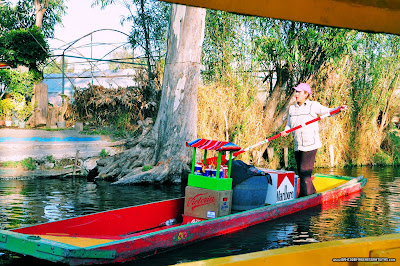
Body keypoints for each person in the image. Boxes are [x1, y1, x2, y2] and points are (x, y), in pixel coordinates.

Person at [281, 83, 347, 197]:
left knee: (304, 172)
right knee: (302, 174)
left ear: (306, 94)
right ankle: (310, 194)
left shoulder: (313, 105)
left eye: (299, 92)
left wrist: (338, 109)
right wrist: (286, 131)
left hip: (310, 145)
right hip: (298, 145)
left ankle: (305, 198)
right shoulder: (292, 108)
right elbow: (289, 125)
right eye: (296, 92)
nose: (296, 94)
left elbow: (328, 112)